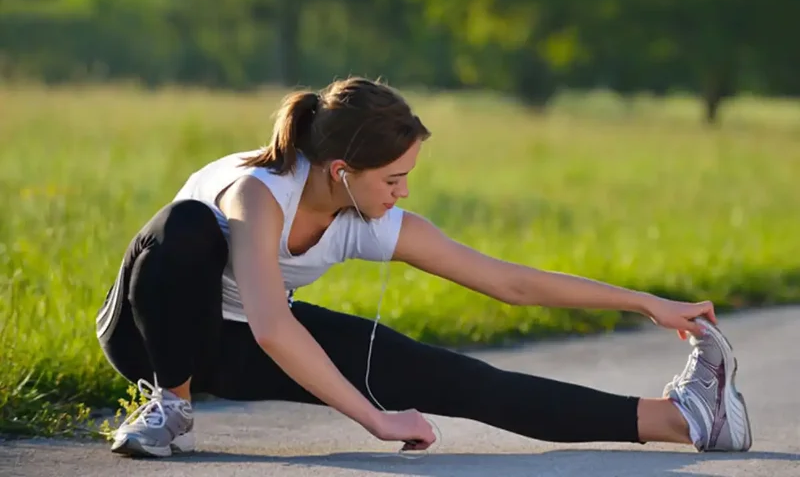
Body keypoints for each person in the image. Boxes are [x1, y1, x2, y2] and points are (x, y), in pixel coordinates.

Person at [95, 76, 752, 459]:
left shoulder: (366, 215)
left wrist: (645, 302)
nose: (403, 192)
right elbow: (272, 324)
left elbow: (509, 283)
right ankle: (169, 409)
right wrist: (376, 420)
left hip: (233, 344)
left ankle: (686, 418)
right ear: (342, 172)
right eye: (396, 178)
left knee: (452, 376)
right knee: (182, 229)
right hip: (149, 335)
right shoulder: (259, 194)